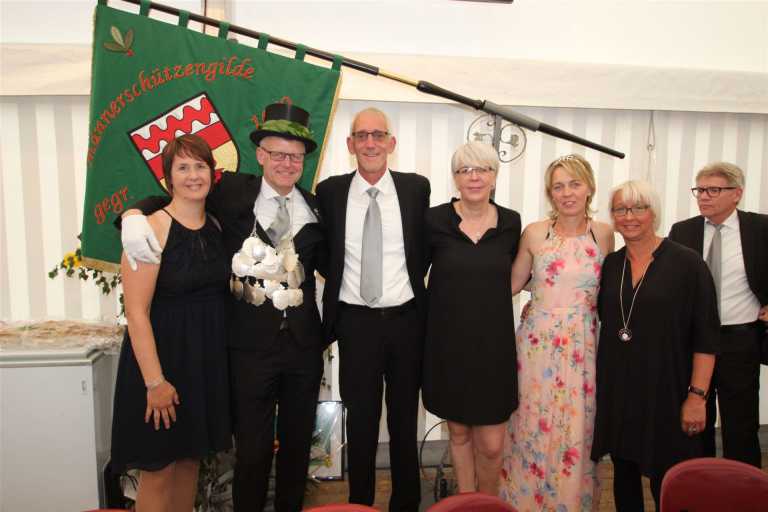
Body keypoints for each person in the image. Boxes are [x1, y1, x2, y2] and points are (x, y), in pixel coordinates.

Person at [119, 103, 326, 512]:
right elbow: (177, 197)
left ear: (304, 161)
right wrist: (133, 214)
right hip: (246, 349)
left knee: (297, 449)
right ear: (260, 155)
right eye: (277, 154)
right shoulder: (231, 193)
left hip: (302, 348)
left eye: (295, 156)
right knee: (251, 452)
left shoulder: (318, 206)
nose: (286, 163)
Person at [315, 107, 430, 512]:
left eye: (378, 135)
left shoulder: (416, 189)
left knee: (404, 422)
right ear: (350, 144)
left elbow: (426, 247)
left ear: (391, 143)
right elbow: (320, 249)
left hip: (406, 322)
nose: (370, 143)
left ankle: (406, 504)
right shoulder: (330, 192)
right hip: (356, 323)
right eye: (361, 136)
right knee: (361, 423)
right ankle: (359, 505)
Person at [110, 134, 231, 511]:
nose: (193, 175)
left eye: (200, 166)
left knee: (189, 462)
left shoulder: (217, 225)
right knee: (159, 470)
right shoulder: (149, 228)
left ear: (212, 173)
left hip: (202, 364)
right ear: (168, 179)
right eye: (183, 167)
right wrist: (155, 382)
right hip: (160, 366)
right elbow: (136, 313)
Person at [591, 179, 719, 511]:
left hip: (668, 390)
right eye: (620, 209)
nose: (629, 216)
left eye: (638, 208)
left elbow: (706, 336)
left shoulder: (687, 263)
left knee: (671, 480)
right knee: (624, 475)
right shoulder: (611, 265)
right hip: (620, 390)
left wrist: (697, 397)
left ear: (654, 213)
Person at [500, 154, 613, 510]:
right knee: (531, 421)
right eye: (558, 186)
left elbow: (612, 290)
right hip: (537, 344)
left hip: (583, 345)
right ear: (550, 193)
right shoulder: (535, 233)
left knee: (577, 426)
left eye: (574, 184)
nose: (567, 193)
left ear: (589, 187)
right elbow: (512, 284)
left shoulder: (603, 233)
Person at [422, 142, 521, 496]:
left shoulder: (511, 222)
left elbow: (519, 275)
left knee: (492, 445)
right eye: (465, 170)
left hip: (494, 349)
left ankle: (487, 503)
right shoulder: (434, 220)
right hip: (448, 346)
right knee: (460, 434)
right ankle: (466, 502)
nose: (474, 177)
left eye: (482, 169)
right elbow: (414, 275)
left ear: (494, 176)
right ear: (455, 178)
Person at [668, 161, 768, 468]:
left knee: (741, 426)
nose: (703, 197)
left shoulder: (760, 228)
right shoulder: (683, 231)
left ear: (737, 193)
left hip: (740, 340)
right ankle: (698, 483)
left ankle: (744, 488)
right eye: (700, 190)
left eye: (713, 190)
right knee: (695, 423)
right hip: (695, 341)